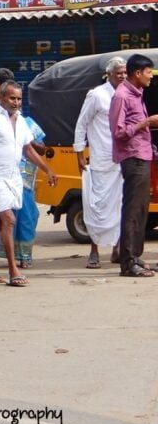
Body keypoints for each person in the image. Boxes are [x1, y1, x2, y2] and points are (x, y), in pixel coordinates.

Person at [0, 81, 56, 287]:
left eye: (19, 98)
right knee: (9, 220)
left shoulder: (22, 121)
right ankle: (13, 270)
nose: (16, 102)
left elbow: (28, 150)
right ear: (1, 98)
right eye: (12, 98)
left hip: (13, 177)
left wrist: (48, 170)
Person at [108, 53, 158, 278]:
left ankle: (135, 257)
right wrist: (147, 122)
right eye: (148, 72)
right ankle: (127, 263)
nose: (151, 77)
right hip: (133, 158)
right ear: (137, 73)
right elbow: (118, 133)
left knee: (141, 210)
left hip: (143, 155)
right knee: (132, 211)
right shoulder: (122, 96)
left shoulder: (137, 94)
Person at [74, 56, 126, 268]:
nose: (122, 76)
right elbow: (82, 123)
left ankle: (117, 250)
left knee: (120, 205)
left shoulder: (128, 94)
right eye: (119, 73)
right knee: (96, 205)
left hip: (122, 160)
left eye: (124, 72)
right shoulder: (97, 95)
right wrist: (79, 152)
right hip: (100, 159)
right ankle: (94, 250)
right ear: (109, 74)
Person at [13, 114, 46, 268]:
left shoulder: (28, 123)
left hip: (25, 179)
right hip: (5, 177)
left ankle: (25, 255)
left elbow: (42, 149)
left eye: (19, 99)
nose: (16, 102)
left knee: (28, 216)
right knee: (3, 217)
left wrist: (27, 139)